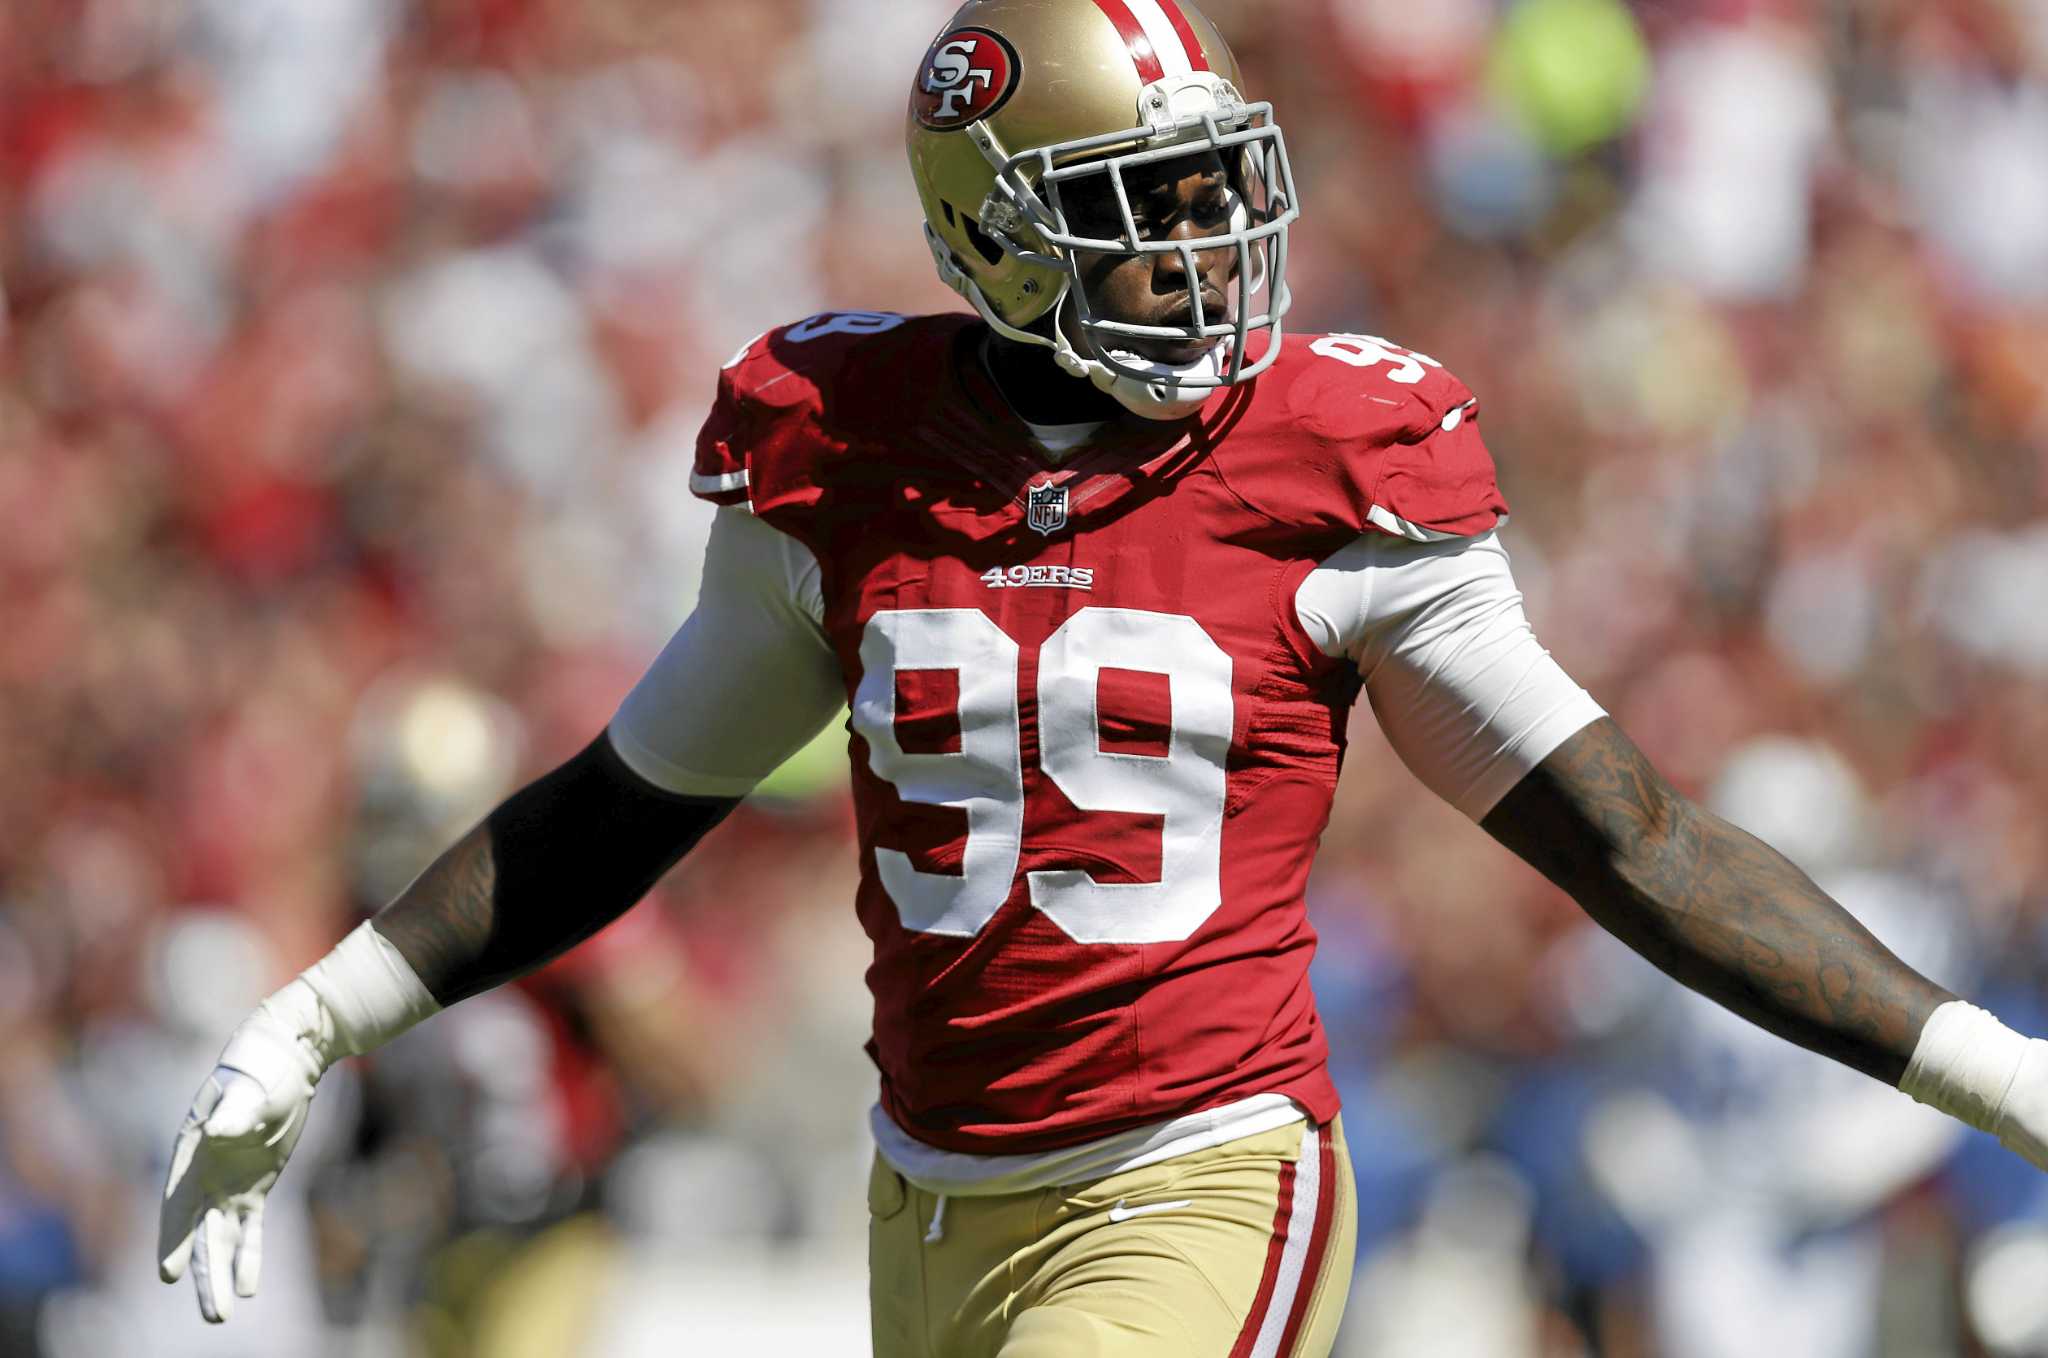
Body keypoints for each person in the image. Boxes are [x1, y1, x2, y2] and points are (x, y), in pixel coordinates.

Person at [158, 2, 2048, 1354]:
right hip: (930, 1203)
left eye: (1222, 189)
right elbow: (618, 809)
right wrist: (314, 1019)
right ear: (991, 230)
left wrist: (1993, 1072)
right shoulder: (840, 442)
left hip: (1205, 1170)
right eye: (1144, 210)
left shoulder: (1334, 456)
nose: (1211, 252)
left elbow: (1629, 836)